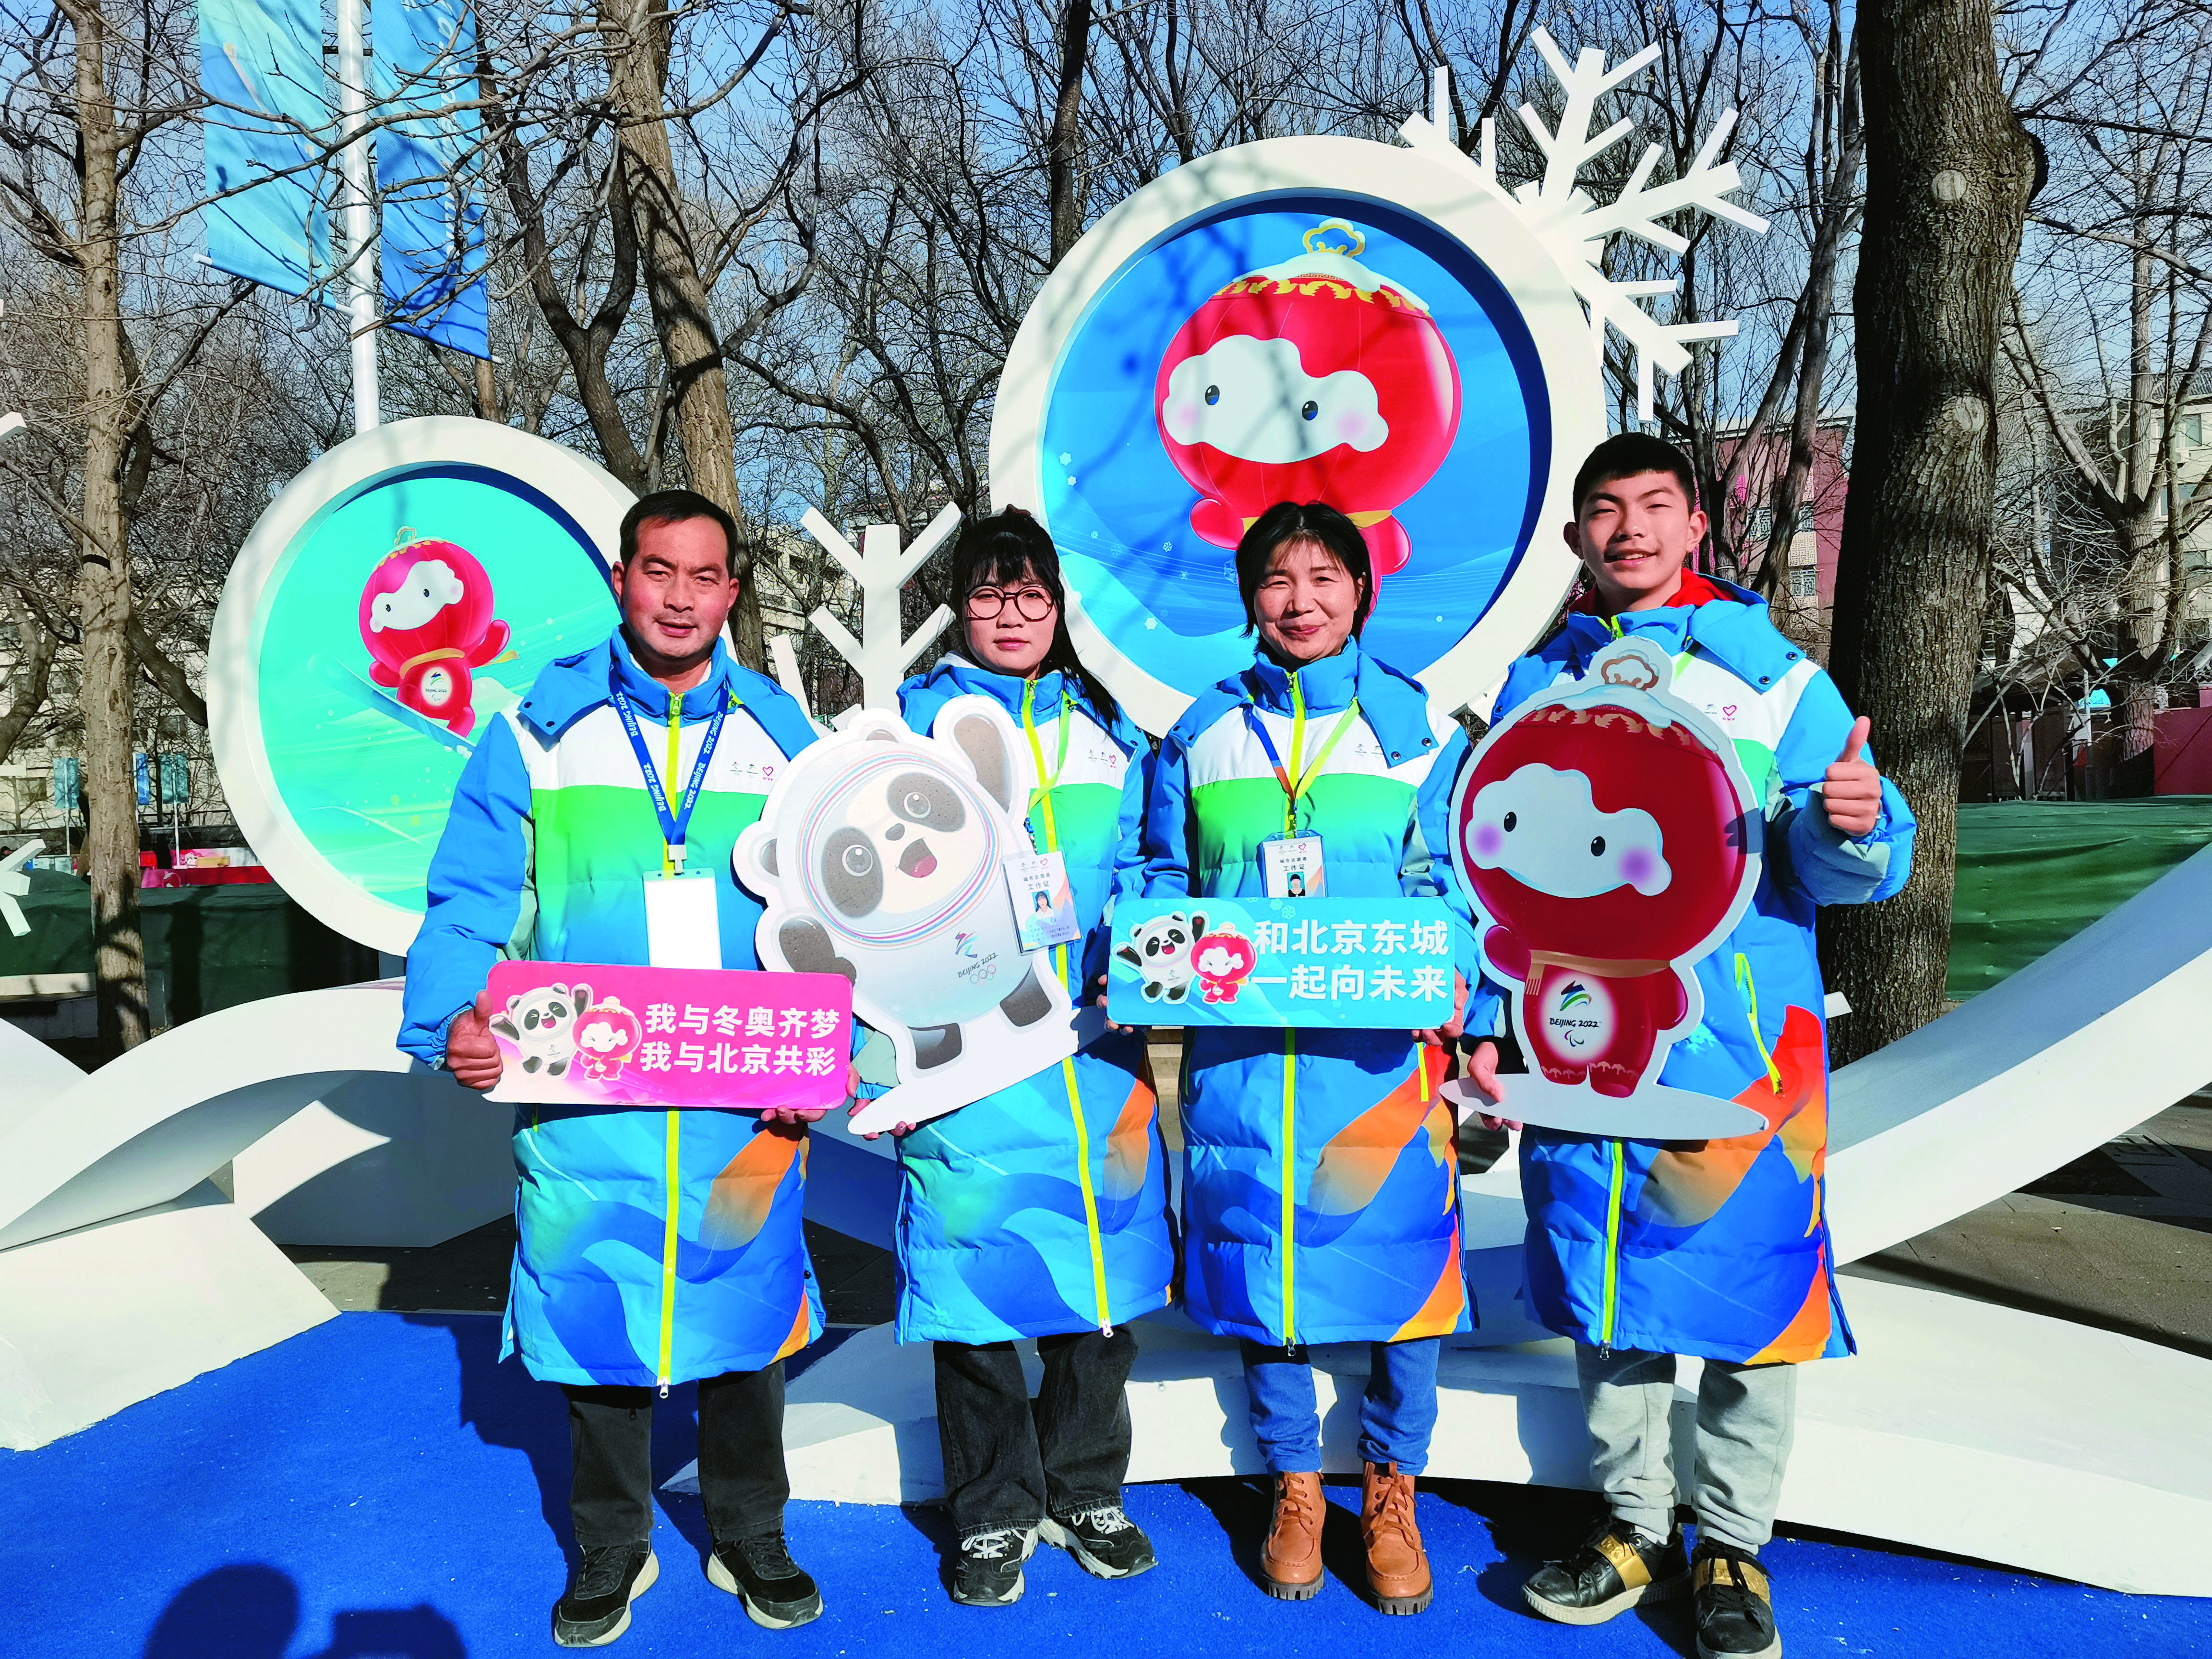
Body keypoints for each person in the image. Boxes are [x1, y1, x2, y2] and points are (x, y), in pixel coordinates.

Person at [1463, 433, 1914, 1659]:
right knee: (1604, 1285)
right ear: (1575, 541)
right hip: (1577, 1032)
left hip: (1743, 1050)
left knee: (1751, 1296)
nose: (1631, 531)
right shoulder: (1532, 685)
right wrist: (1484, 1025)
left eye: (1656, 506)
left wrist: (1853, 822)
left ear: (1698, 524)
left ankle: (1733, 1541)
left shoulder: (1774, 679)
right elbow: (1484, 872)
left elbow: (1851, 861)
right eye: (1604, 513)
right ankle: (1630, 1524)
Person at [398, 490, 835, 1648]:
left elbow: (842, 910)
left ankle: (752, 1529)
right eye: (658, 572)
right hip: (587, 1095)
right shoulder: (537, 730)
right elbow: (471, 896)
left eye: (704, 577)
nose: (680, 598)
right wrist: (452, 1017)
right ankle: (613, 1542)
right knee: (600, 1319)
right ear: (621, 579)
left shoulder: (787, 738)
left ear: (732, 594)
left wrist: (837, 1054)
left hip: (746, 1092)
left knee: (749, 1320)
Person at [1138, 500, 1477, 1615]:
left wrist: (1452, 967)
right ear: (1249, 600)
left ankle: (1391, 1488)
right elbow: (1158, 876)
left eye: (1325, 578)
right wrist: (1143, 950)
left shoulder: (1419, 732)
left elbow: (1452, 886)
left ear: (1362, 593)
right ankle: (1293, 1484)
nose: (1302, 601)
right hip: (1243, 1070)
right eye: (1279, 581)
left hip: (1379, 1070)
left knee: (1403, 1273)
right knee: (1259, 1265)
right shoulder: (1199, 734)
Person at [864, 507, 1175, 1608]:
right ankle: (992, 1509)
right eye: (989, 594)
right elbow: (857, 902)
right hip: (966, 1057)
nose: (1010, 614)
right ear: (959, 606)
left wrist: (1143, 952)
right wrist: (878, 1058)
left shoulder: (1112, 728)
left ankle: (1087, 1485)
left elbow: (1155, 856)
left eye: (1029, 594)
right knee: (974, 1293)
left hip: (1093, 1050)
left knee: (1098, 1293)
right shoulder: (909, 726)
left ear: (1057, 606)